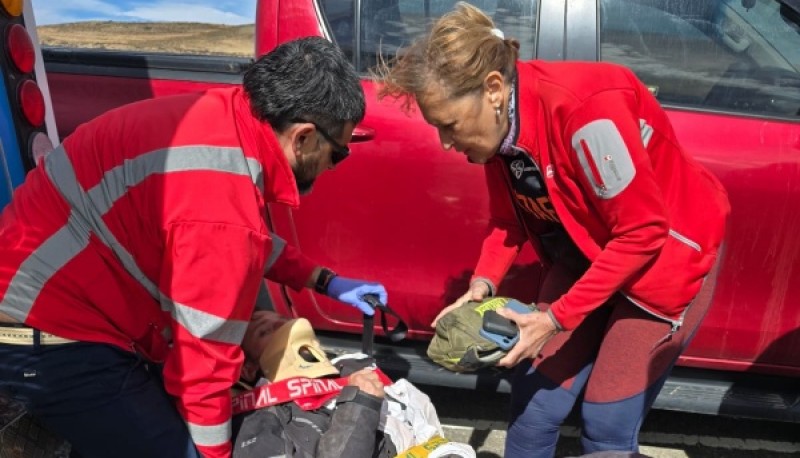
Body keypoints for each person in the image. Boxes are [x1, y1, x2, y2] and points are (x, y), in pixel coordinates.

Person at [0, 36, 387, 458]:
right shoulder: (224, 203)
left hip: (58, 295)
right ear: (304, 137)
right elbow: (202, 372)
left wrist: (323, 280)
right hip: (48, 327)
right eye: (339, 153)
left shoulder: (228, 119)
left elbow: (237, 237)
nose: (334, 165)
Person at [375, 3, 729, 457]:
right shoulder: (502, 132)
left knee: (605, 423)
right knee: (535, 402)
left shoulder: (586, 112)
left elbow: (642, 232)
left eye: (449, 125)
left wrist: (555, 318)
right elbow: (508, 221)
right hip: (590, 253)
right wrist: (481, 284)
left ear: (494, 88)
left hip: (666, 259)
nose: (446, 143)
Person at [233, 310, 389, 458]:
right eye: (264, 332)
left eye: (285, 321)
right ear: (248, 369)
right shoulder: (256, 423)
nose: (285, 328)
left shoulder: (353, 365)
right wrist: (359, 407)